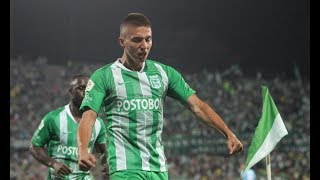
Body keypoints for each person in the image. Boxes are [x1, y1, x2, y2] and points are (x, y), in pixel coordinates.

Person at [77, 13, 243, 180]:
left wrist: (228, 133)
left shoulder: (164, 73)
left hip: (158, 168)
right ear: (122, 42)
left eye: (148, 39)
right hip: (125, 168)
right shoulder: (104, 76)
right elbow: (88, 117)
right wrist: (83, 150)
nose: (144, 45)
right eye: (137, 40)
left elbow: (197, 106)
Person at [29, 74, 108, 179]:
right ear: (71, 92)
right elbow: (34, 146)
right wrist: (53, 163)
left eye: (89, 89)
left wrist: (106, 164)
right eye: (80, 88)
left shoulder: (98, 123)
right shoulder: (53, 118)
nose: (86, 92)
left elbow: (103, 151)